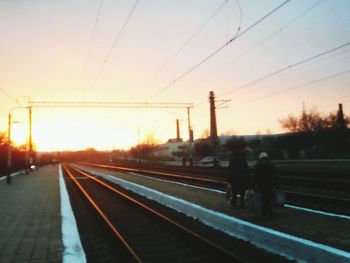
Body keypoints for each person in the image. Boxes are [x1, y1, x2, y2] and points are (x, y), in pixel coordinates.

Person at [254, 152, 278, 217]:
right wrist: (276, 185)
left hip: (261, 184)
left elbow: (256, 176)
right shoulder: (271, 163)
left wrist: (253, 185)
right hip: (270, 184)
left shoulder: (258, 164)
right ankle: (270, 211)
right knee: (269, 197)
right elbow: (274, 175)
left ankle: (264, 211)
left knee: (263, 198)